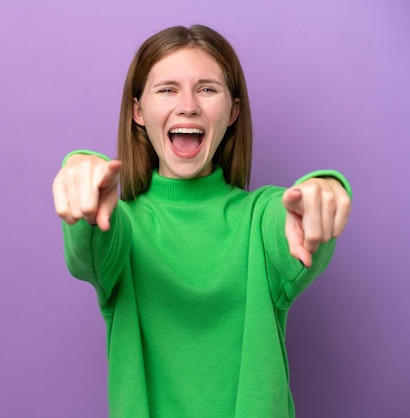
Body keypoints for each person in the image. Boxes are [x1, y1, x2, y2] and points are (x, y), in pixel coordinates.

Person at [52, 24, 351, 418]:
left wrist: (323, 190)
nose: (188, 105)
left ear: (233, 111)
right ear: (139, 111)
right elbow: (89, 249)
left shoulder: (261, 217)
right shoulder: (121, 224)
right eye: (167, 89)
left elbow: (293, 221)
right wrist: (81, 175)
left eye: (207, 89)